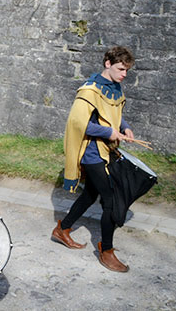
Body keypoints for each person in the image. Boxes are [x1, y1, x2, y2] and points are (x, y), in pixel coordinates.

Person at [52, 46, 137, 272]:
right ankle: (106, 250)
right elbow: (78, 123)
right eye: (121, 68)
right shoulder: (89, 91)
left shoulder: (115, 88)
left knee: (91, 193)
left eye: (127, 70)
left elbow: (115, 115)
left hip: (105, 150)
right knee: (110, 199)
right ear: (107, 63)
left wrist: (125, 128)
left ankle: (62, 229)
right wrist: (109, 133)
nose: (124, 74)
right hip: (91, 153)